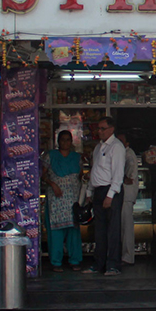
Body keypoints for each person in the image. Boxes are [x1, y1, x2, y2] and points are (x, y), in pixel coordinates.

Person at [83, 117, 126, 276]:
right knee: (99, 230)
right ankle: (99, 263)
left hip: (111, 191)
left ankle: (113, 264)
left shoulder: (116, 147)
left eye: (102, 128)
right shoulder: (98, 147)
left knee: (113, 230)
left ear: (111, 129)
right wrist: (89, 191)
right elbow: (95, 170)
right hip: (98, 190)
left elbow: (118, 174)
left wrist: (110, 195)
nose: (99, 131)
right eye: (98, 129)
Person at [41, 130, 84, 272]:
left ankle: (75, 260)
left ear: (71, 142)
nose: (65, 142)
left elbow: (80, 176)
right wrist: (52, 184)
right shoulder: (50, 156)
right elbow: (42, 175)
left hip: (73, 198)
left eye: (68, 140)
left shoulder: (76, 157)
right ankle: (56, 262)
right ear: (58, 141)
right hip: (56, 197)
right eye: (63, 140)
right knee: (56, 231)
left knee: (73, 230)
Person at [118, 133, 139, 265]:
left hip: (126, 194)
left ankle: (128, 256)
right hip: (123, 194)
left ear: (127, 144)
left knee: (126, 227)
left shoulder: (129, 155)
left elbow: (129, 178)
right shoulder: (122, 154)